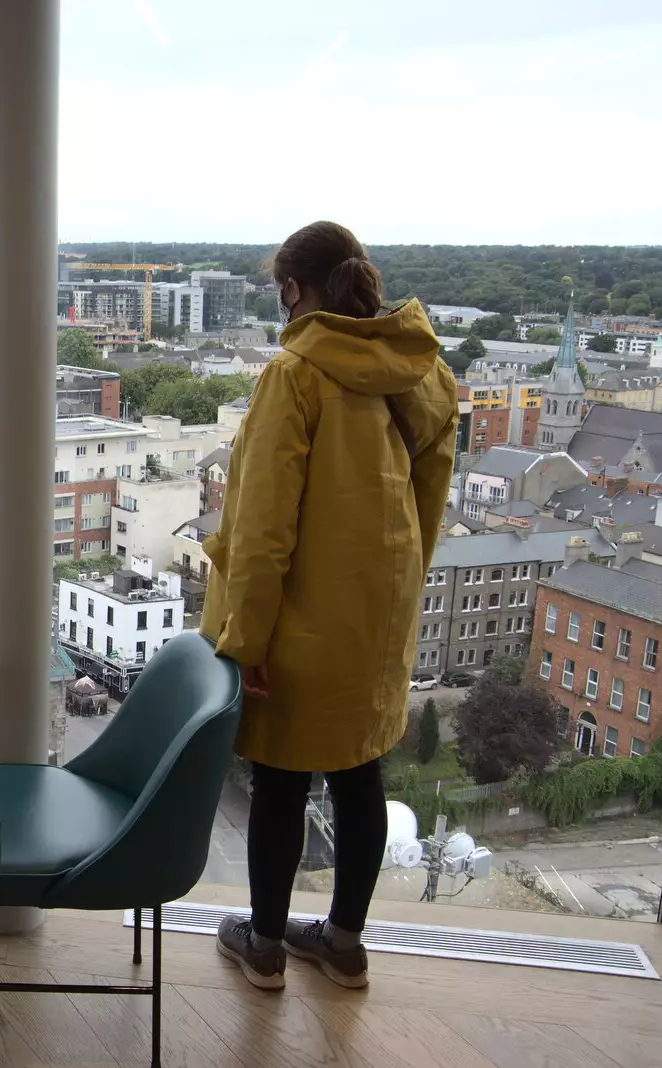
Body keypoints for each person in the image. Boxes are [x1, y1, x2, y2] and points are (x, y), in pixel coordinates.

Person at [202, 221, 458, 990]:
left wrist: (245, 638)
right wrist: (401, 581)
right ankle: (343, 943)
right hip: (377, 611)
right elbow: (432, 493)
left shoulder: (296, 374)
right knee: (358, 774)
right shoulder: (422, 370)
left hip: (300, 614)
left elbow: (262, 526)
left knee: (281, 779)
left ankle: (267, 945)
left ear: (291, 290)